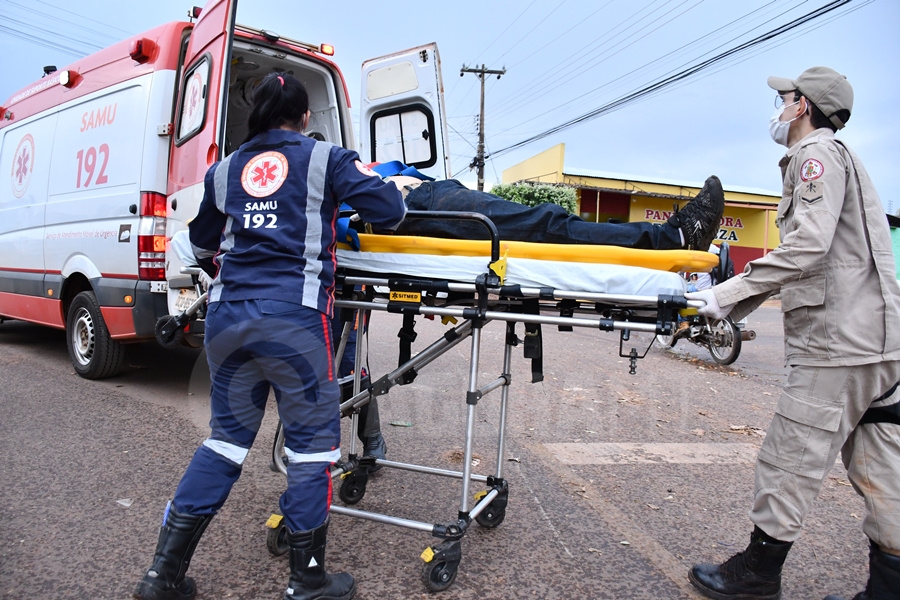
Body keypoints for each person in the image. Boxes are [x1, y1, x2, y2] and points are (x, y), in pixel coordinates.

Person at [133, 73, 406, 600]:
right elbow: (390, 210)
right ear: (305, 117)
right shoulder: (326, 159)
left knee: (224, 441)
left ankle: (161, 575)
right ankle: (307, 581)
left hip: (228, 320)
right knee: (310, 453)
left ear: (256, 114)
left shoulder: (225, 170)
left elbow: (201, 242)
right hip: (294, 324)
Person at [685, 67, 900, 600]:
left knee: (791, 456)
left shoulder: (816, 157)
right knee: (883, 466)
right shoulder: (846, 159)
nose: (778, 108)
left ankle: (757, 574)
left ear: (802, 106)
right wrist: (731, 308)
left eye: (783, 99)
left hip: (836, 345)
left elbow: (807, 247)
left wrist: (724, 294)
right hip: (880, 343)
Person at [372, 172, 725, 252]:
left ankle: (665, 236)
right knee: (545, 224)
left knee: (546, 222)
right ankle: (672, 237)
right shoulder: (327, 165)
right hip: (414, 207)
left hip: (433, 192)